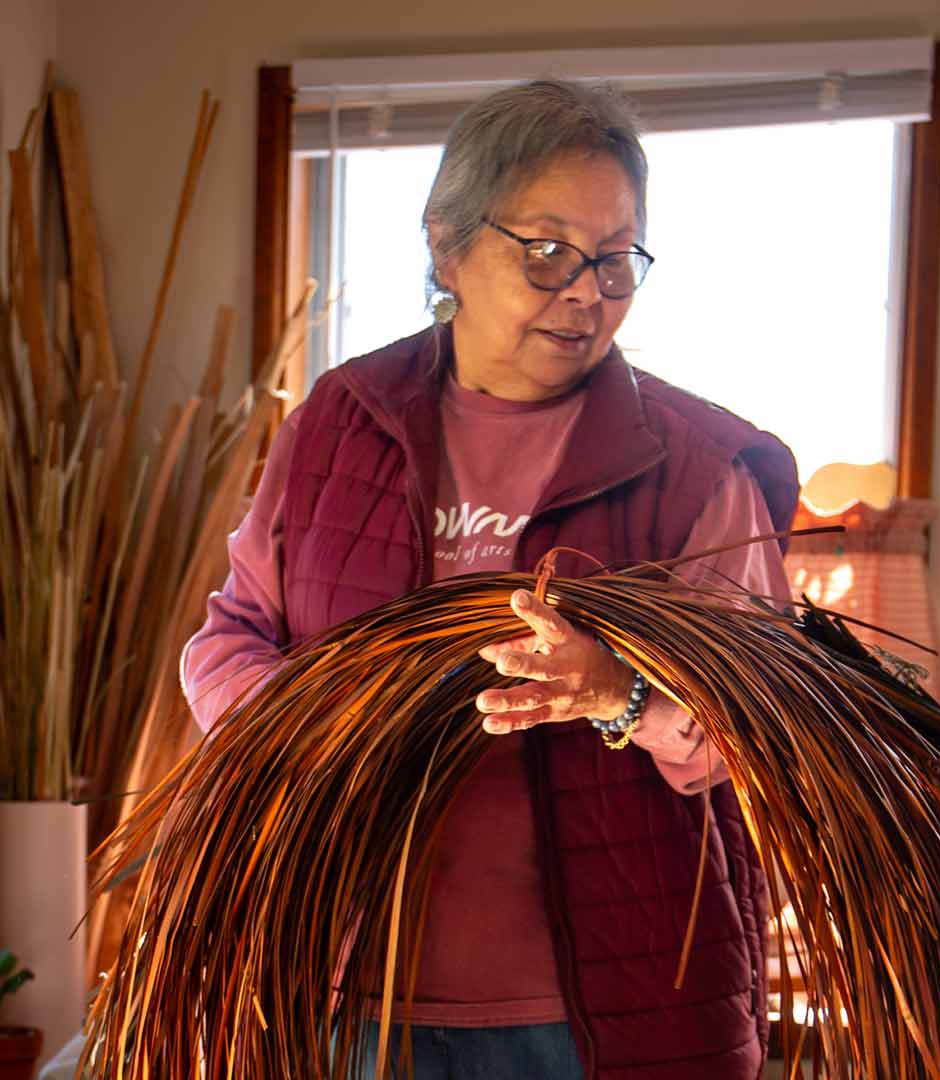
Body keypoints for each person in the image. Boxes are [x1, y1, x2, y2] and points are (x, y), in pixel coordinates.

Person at [181, 78, 798, 1080]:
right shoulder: (338, 424)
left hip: (605, 1007)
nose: (588, 291)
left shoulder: (697, 463)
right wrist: (304, 717)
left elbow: (767, 725)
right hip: (342, 987)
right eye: (549, 251)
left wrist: (620, 694)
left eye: (615, 259)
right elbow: (229, 639)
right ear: (447, 246)